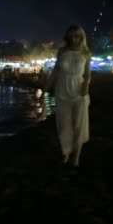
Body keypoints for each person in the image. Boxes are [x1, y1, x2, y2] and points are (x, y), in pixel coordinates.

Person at [44, 25, 91, 167]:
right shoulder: (62, 52)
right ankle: (65, 153)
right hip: (62, 90)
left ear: (81, 37)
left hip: (79, 91)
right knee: (64, 125)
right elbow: (55, 72)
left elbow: (87, 74)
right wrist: (45, 89)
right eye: (71, 36)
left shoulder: (86, 53)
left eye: (77, 36)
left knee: (79, 125)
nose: (74, 39)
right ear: (67, 37)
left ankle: (76, 156)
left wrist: (86, 86)